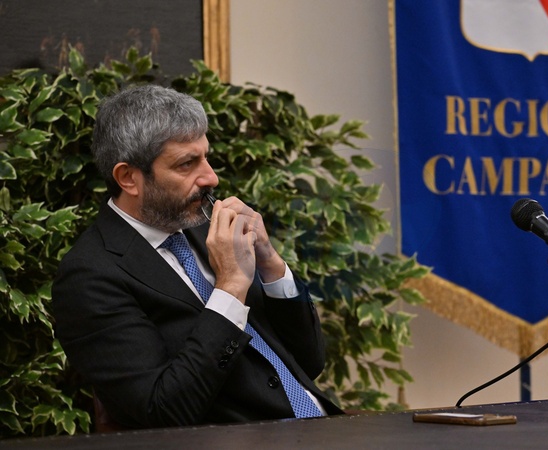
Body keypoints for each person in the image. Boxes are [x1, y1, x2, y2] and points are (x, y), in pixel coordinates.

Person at [52, 84, 343, 428]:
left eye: (205, 157)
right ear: (128, 178)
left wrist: (271, 265)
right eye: (187, 164)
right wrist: (230, 288)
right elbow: (164, 411)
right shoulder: (89, 276)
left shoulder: (206, 227)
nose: (211, 177)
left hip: (324, 426)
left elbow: (309, 362)